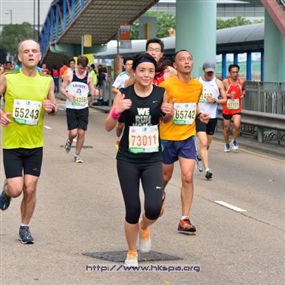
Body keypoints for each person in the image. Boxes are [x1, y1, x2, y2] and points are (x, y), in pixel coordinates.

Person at [105, 53, 175, 268]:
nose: (146, 75)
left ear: (155, 74)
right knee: (132, 208)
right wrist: (118, 111)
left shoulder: (160, 93)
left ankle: (145, 227)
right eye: (142, 70)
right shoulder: (124, 94)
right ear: (134, 72)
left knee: (153, 208)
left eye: (151, 71)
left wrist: (170, 113)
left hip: (152, 158)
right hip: (127, 159)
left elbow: (166, 119)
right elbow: (108, 126)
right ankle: (132, 252)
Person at [0, 39, 57, 244]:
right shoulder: (8, 78)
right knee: (16, 189)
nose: (31, 54)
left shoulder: (47, 81)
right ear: (20, 57)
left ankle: (24, 228)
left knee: (30, 188)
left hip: (35, 144)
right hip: (13, 143)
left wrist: (51, 108)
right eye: (27, 51)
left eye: (34, 51)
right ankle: (6, 191)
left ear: (40, 55)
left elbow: (53, 107)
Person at [159, 49, 210, 234]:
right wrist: (168, 113)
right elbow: (162, 117)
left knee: (187, 177)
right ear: (175, 64)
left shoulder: (197, 86)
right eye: (182, 59)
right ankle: (159, 196)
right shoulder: (166, 86)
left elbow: (193, 105)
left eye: (190, 59)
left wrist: (200, 114)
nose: (187, 62)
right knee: (164, 177)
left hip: (187, 137)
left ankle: (184, 219)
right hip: (167, 138)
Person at [60, 55, 98, 163]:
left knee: (81, 132)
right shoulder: (70, 75)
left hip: (83, 107)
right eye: (81, 68)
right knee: (73, 132)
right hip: (71, 107)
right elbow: (62, 88)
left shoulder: (89, 76)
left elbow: (92, 89)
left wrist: (95, 92)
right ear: (77, 65)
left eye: (84, 68)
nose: (82, 70)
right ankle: (69, 140)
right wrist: (68, 95)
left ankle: (77, 154)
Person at [196, 61, 227, 179]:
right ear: (203, 70)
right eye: (207, 72)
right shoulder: (197, 82)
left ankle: (199, 158)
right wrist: (198, 112)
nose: (209, 74)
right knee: (203, 143)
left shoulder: (218, 83)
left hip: (212, 117)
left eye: (211, 72)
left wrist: (215, 100)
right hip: (200, 116)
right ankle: (207, 169)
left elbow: (224, 100)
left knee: (207, 145)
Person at [222, 64, 246, 152]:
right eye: (233, 72)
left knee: (237, 124)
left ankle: (234, 140)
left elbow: (243, 89)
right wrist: (228, 95)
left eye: (236, 72)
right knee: (226, 128)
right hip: (227, 107)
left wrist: (243, 94)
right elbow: (221, 93)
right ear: (229, 73)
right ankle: (226, 143)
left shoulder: (241, 82)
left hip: (237, 107)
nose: (235, 74)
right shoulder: (225, 82)